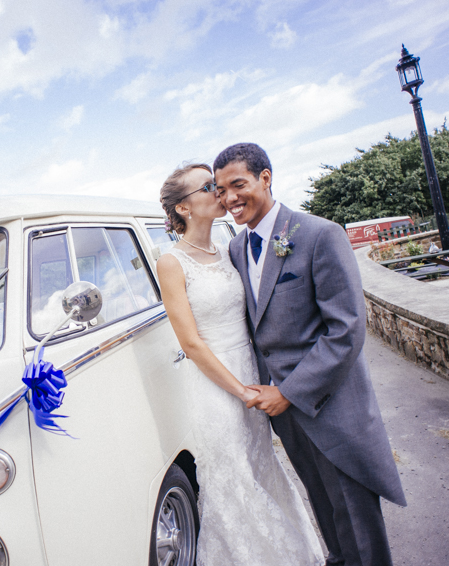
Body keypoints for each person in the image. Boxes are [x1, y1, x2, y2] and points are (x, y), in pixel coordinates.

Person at [214, 143, 406, 566]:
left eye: (238, 185)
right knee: (329, 521)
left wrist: (289, 391)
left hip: (330, 408)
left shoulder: (320, 234)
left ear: (266, 178)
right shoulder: (236, 248)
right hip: (286, 418)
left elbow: (347, 329)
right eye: (220, 189)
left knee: (358, 532)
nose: (229, 199)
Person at [157, 163, 324, 566]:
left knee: (262, 467)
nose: (221, 192)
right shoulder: (172, 263)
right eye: (209, 186)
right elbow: (192, 344)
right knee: (234, 481)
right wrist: (242, 391)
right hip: (218, 388)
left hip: (252, 374)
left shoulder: (229, 249)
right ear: (184, 207)